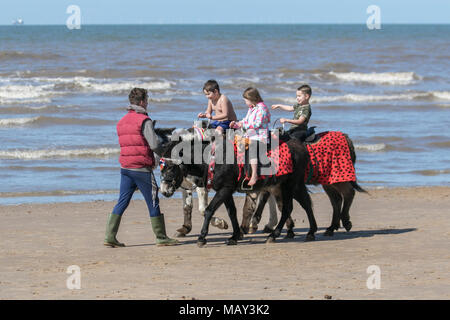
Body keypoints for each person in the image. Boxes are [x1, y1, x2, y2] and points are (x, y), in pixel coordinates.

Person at [104, 88, 179, 247]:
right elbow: (154, 144)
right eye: (147, 100)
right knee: (153, 201)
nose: (148, 103)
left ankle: (110, 236)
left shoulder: (122, 121)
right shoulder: (144, 120)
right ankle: (161, 237)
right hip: (141, 169)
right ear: (143, 102)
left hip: (125, 167)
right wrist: (165, 154)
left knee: (122, 201)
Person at [230, 87, 271, 186]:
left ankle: (254, 175)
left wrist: (243, 125)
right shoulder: (252, 108)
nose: (245, 103)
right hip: (251, 134)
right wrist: (236, 124)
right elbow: (246, 120)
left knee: (252, 148)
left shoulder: (262, 108)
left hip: (259, 136)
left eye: (246, 100)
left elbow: (257, 124)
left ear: (252, 99)